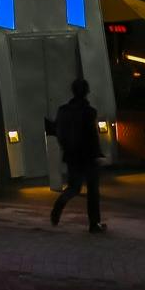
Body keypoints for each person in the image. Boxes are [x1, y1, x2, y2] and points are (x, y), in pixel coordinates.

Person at [50, 78, 106, 233]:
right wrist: (98, 154)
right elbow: (92, 136)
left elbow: (57, 130)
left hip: (71, 155)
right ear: (87, 92)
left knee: (74, 187)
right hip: (88, 156)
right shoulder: (89, 112)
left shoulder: (63, 110)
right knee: (93, 191)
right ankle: (94, 224)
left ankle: (60, 203)